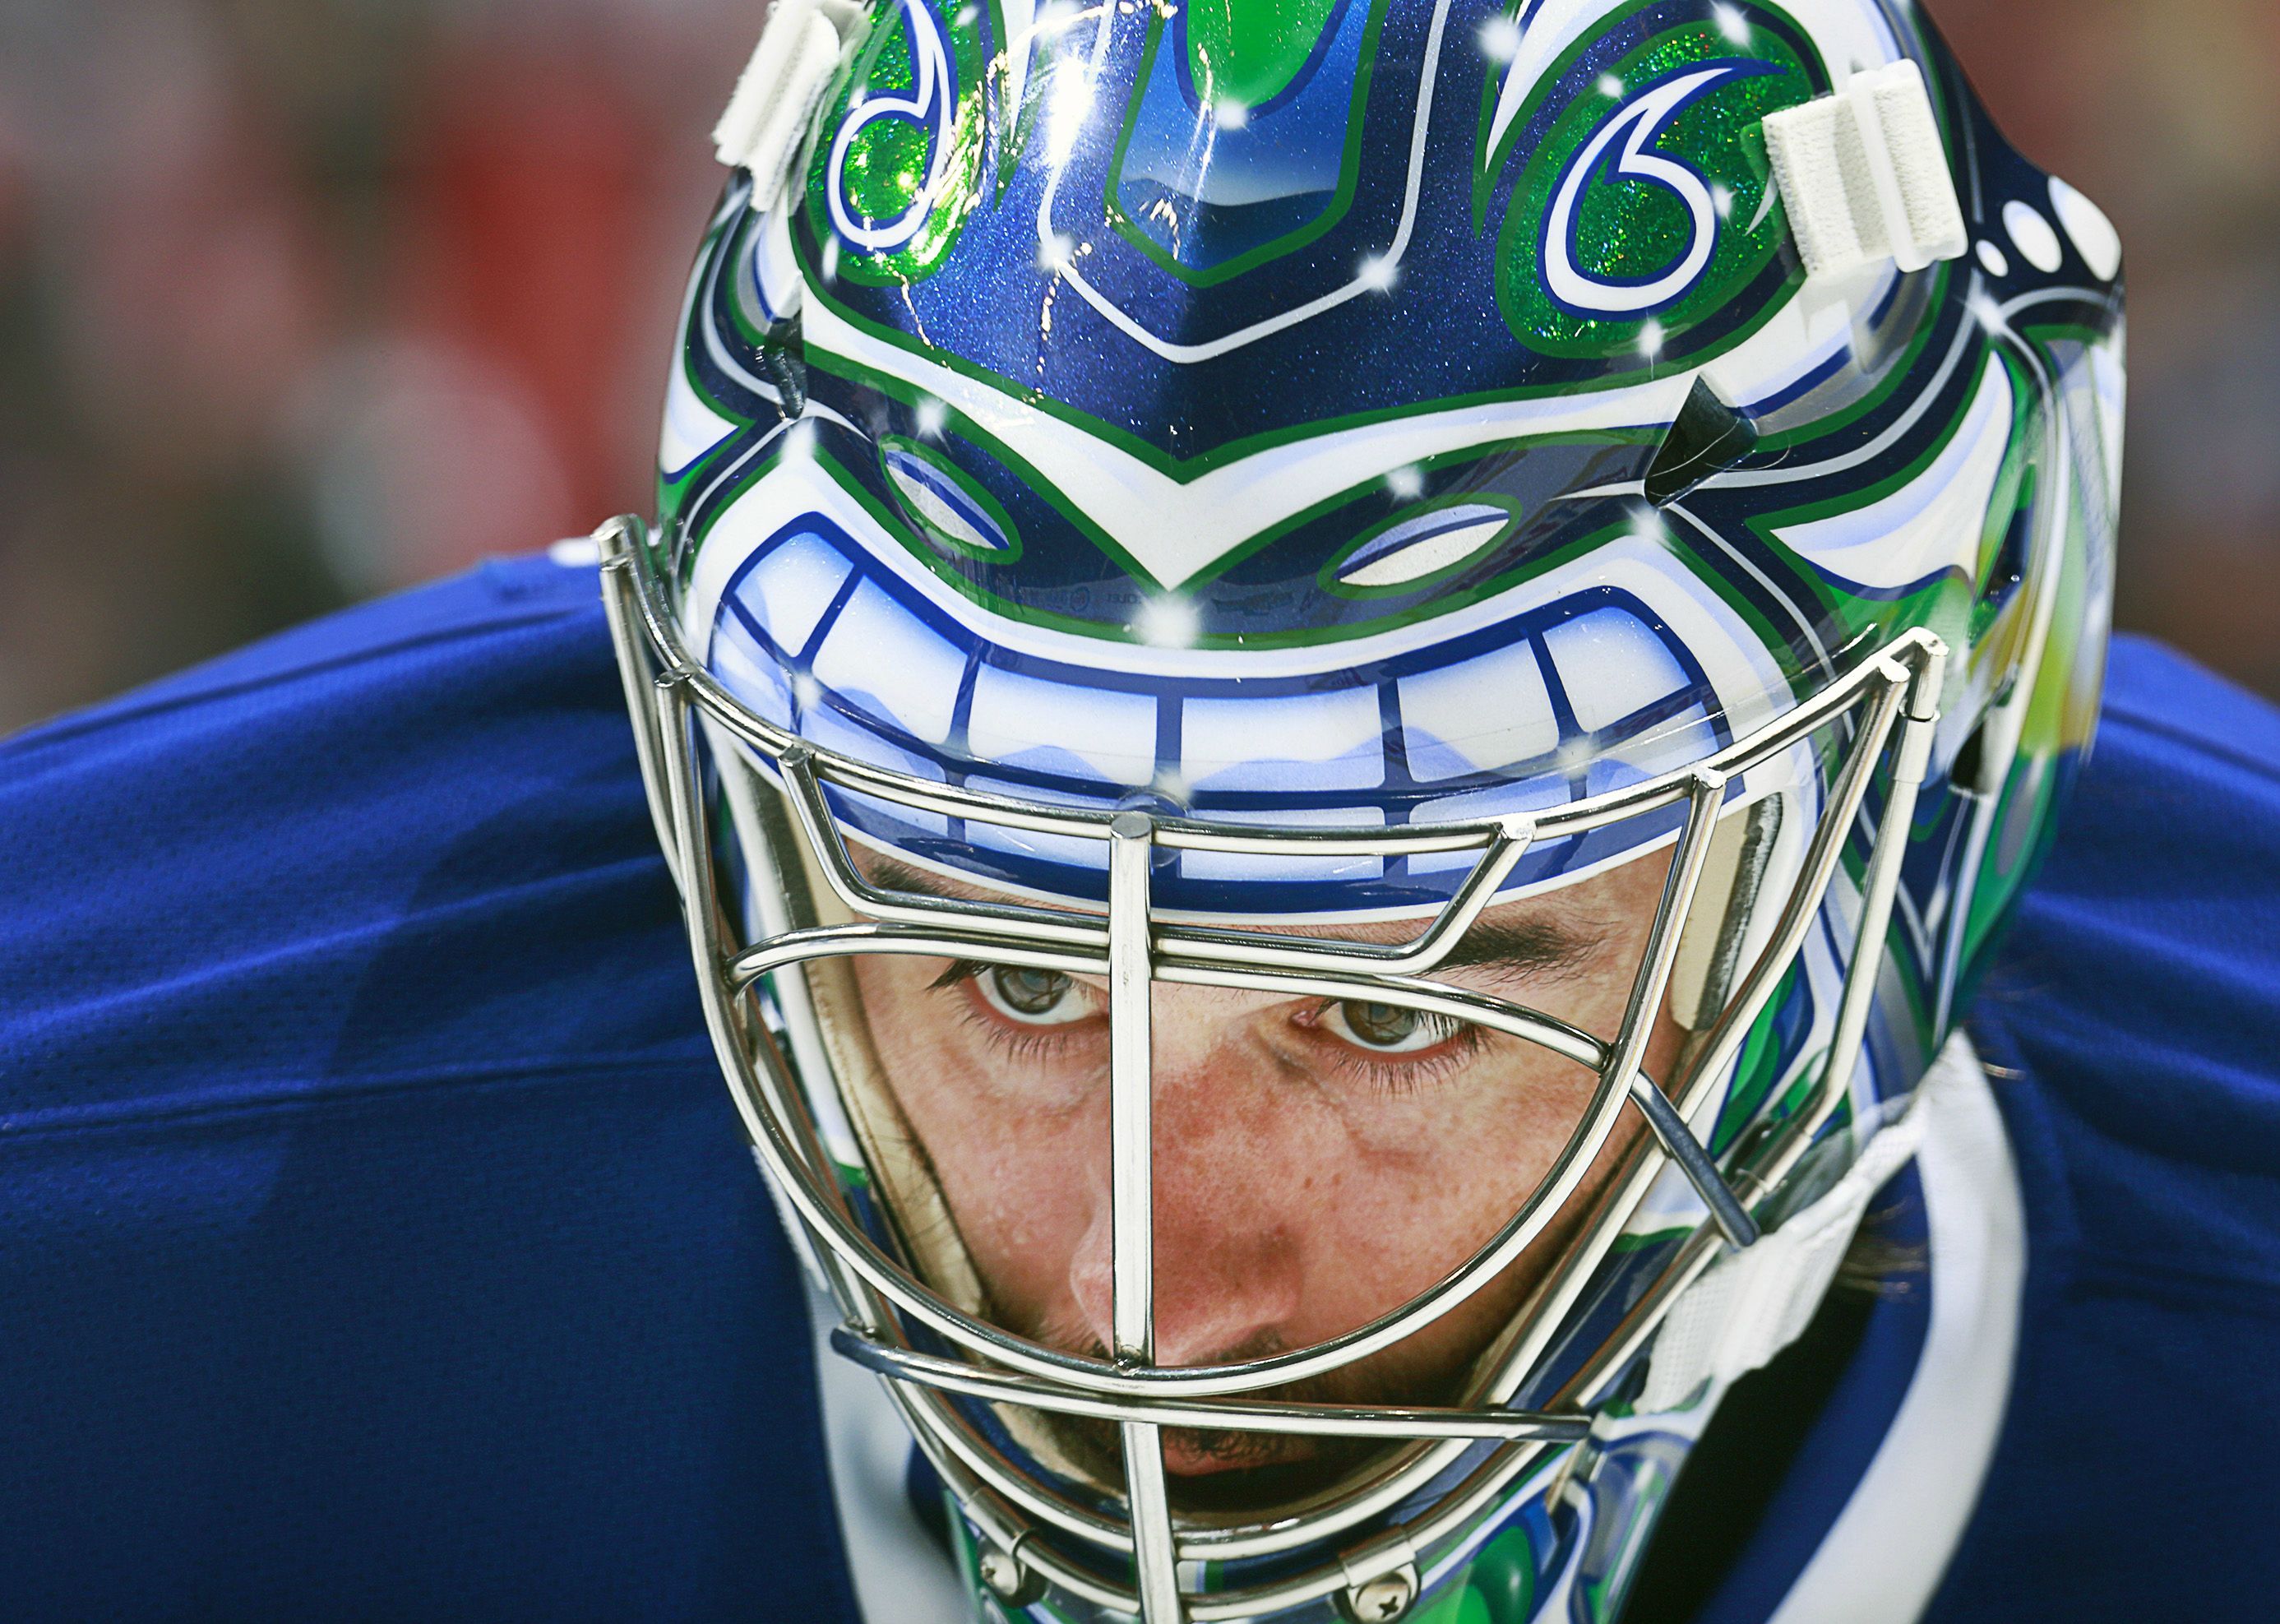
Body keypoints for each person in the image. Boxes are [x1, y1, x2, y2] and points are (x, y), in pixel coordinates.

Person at [3, 2, 2278, 1622]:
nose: (1136, 1292)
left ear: (1920, 813)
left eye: (1386, 1011)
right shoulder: (92, 1202)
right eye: (1001, 966)